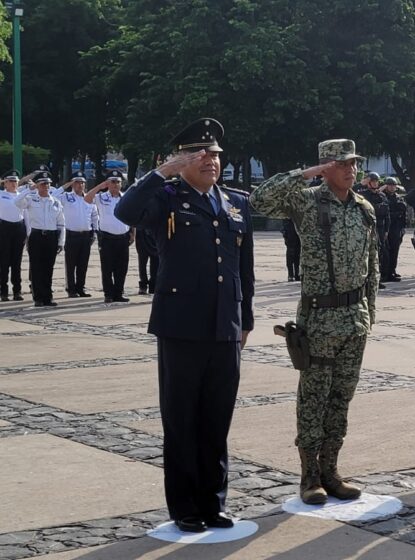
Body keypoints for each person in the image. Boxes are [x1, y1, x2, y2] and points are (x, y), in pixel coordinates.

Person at [115, 118, 255, 534]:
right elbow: (125, 212)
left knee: (217, 418)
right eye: (199, 154)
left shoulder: (234, 203)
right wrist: (161, 173)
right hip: (181, 326)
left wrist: (245, 317)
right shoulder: (166, 198)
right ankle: (185, 507)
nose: (210, 160)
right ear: (181, 159)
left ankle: (214, 502)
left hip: (225, 326)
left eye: (214, 154)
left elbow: (242, 269)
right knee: (182, 421)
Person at [250, 138, 378, 506]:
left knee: (341, 398)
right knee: (314, 399)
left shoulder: (363, 208)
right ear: (324, 167)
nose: (351, 170)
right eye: (343, 164)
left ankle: (331, 471)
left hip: (355, 320)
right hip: (320, 319)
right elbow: (260, 200)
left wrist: (371, 310)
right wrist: (303, 175)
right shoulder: (305, 201)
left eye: (354, 163)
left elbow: (373, 264)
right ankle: (309, 477)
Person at [14, 169, 65, 307]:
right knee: (36, 268)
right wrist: (28, 190)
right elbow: (16, 201)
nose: (46, 187)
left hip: (51, 236)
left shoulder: (55, 202)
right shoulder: (31, 199)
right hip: (36, 236)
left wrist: (61, 242)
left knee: (49, 268)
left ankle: (48, 297)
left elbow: (61, 223)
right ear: (37, 185)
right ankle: (38, 298)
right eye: (42, 184)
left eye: (48, 184)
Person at [86, 170, 133, 302]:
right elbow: (87, 198)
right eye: (112, 182)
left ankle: (118, 293)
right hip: (107, 238)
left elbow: (131, 216)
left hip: (123, 237)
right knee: (107, 267)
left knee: (122, 267)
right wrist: (99, 187)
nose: (115, 185)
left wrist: (132, 233)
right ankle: (108, 294)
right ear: (108, 183)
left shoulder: (125, 197)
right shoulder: (101, 197)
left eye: (118, 182)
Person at [57, 171, 98, 298]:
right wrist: (65, 185)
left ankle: (81, 288)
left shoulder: (89, 198)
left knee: (83, 264)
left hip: (86, 235)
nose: (80, 185)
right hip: (71, 235)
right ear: (72, 184)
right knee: (71, 264)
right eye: (77, 182)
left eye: (82, 183)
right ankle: (71, 288)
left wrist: (95, 232)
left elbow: (94, 216)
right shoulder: (66, 197)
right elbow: (53, 195)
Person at [0, 170, 27, 301]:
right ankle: (3, 292)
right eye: (10, 181)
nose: (13, 184)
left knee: (17, 262)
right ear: (5, 183)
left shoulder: (22, 195)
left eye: (15, 181)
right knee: (3, 261)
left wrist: (28, 233)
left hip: (19, 228)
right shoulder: (0, 194)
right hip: (4, 228)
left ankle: (17, 291)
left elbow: (26, 214)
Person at [360, 174, 389, 286]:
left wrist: (386, 230)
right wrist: (361, 184)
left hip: (380, 228)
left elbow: (387, 214)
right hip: (368, 227)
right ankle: (366, 279)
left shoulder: (382, 195)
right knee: (368, 254)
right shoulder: (363, 195)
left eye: (377, 181)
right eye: (373, 181)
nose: (376, 183)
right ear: (368, 183)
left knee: (380, 253)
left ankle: (377, 279)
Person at [384, 177, 407, 281]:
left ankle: (392, 271)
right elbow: (386, 212)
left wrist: (403, 228)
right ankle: (385, 273)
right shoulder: (383, 196)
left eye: (393, 185)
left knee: (395, 251)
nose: (392, 187)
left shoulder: (398, 197)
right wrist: (396, 213)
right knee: (386, 252)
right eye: (390, 185)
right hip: (387, 227)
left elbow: (403, 211)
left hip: (397, 227)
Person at [135, 226, 159, 295]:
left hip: (155, 237)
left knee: (155, 265)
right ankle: (143, 286)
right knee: (142, 265)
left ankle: (153, 286)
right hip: (141, 237)